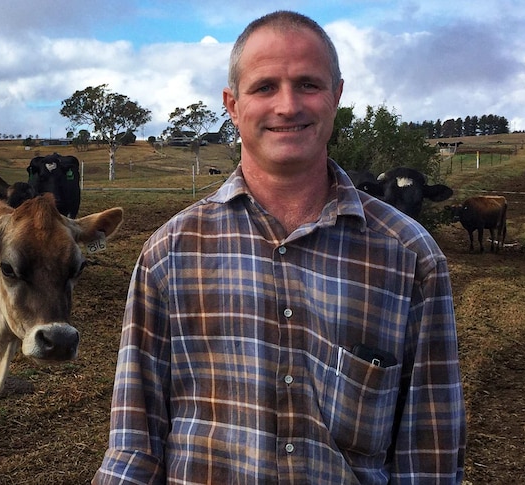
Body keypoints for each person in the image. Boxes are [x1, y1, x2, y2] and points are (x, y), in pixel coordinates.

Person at [93, 10, 466, 485]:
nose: (288, 106)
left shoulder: (410, 256)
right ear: (232, 105)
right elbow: (133, 448)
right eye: (265, 87)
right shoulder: (169, 255)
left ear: (337, 96)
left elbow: (429, 461)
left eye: (308, 84)